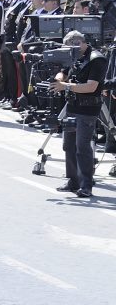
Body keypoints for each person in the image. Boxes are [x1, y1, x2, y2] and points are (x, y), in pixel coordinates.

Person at [50, 30, 106, 198]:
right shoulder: (74, 55)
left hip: (87, 108)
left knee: (82, 147)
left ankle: (86, 185)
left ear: (78, 43)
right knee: (69, 145)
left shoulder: (97, 59)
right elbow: (64, 70)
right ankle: (73, 181)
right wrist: (59, 79)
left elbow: (91, 87)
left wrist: (65, 86)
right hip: (73, 106)